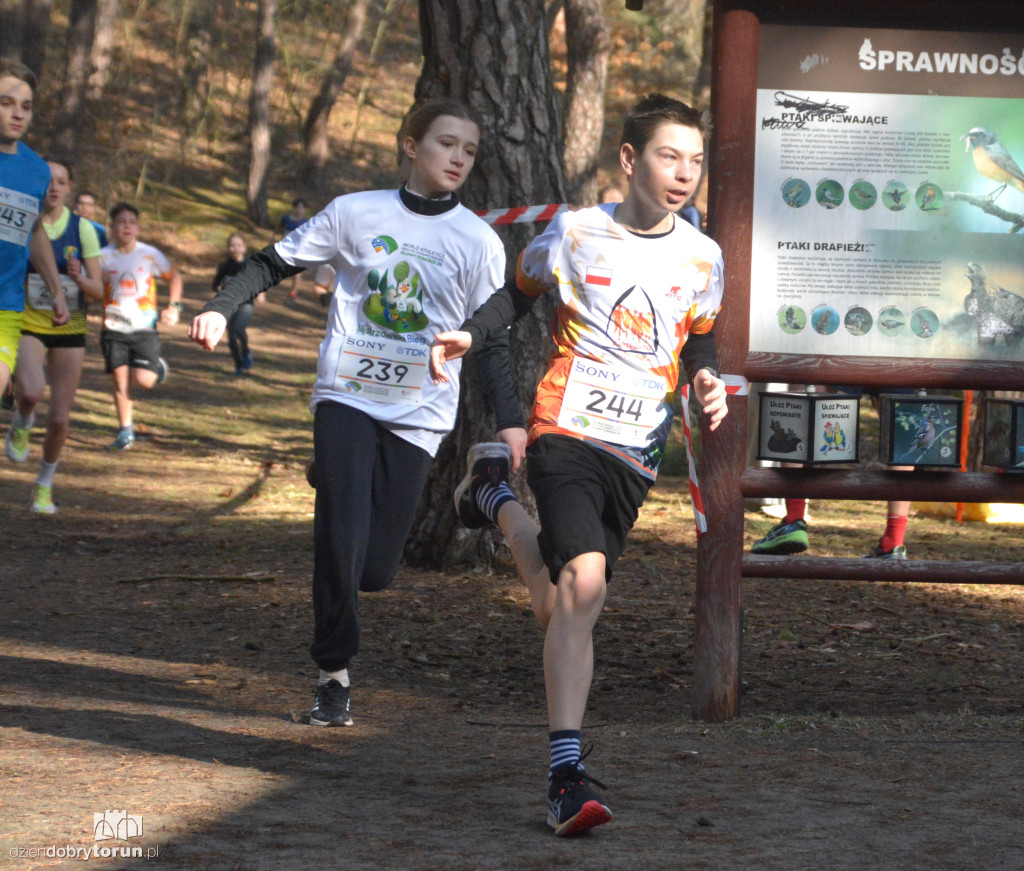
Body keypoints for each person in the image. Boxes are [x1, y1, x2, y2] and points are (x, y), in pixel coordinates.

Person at [430, 94, 728, 837]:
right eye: (669, 155)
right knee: (586, 579)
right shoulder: (574, 233)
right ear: (630, 159)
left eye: (694, 159)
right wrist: (471, 335)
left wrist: (706, 378)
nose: (684, 172)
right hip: (567, 427)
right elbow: (517, 296)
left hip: (638, 450)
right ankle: (565, 775)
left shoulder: (703, 254)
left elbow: (699, 338)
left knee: (565, 600)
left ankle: (495, 495)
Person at [188, 98, 522, 729]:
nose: (458, 158)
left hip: (419, 410)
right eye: (446, 143)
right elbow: (270, 261)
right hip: (345, 394)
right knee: (340, 537)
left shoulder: (478, 240)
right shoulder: (355, 213)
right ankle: (333, 676)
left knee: (374, 571)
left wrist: (511, 420)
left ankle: (339, 479)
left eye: (469, 151)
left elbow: (492, 338)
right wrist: (221, 306)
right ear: (409, 144)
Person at [4, 157, 103, 513]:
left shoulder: (83, 229)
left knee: (60, 418)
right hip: (29, 321)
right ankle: (22, 419)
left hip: (70, 327)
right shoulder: (20, 220)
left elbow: (98, 290)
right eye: (49, 180)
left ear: (69, 188)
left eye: (61, 181)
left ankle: (44, 484)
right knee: (30, 390)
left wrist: (79, 280)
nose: (54, 187)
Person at [751, 385, 915, 559]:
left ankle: (794, 520)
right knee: (901, 427)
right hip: (892, 359)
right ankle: (893, 542)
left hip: (843, 359)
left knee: (803, 391)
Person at [0, 59, 69, 408]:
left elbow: (36, 230)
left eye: (25, 107)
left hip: (4, 305)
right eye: (6, 103)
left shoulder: (36, 171)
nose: (18, 115)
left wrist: (56, 291)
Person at [98, 202, 182, 450]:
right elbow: (92, 287)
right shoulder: (102, 257)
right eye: (121, 222)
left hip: (144, 327)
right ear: (112, 227)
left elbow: (174, 276)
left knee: (143, 380)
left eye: (131, 222)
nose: (127, 227)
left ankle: (156, 368)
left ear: (138, 227)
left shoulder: (149, 254)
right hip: (112, 328)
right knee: (120, 381)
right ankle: (126, 431)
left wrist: (174, 306)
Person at [211, 232, 263, 376]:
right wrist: (220, 289)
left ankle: (246, 351)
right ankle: (238, 364)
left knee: (239, 328)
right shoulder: (225, 265)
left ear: (244, 248)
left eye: (238, 245)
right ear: (228, 248)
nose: (235, 248)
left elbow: (259, 282)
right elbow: (215, 284)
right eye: (232, 246)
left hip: (245, 303)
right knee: (231, 336)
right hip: (228, 305)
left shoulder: (249, 265)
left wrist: (261, 293)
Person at [277, 198, 308, 305]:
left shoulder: (306, 223)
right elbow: (278, 230)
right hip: (284, 249)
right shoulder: (286, 219)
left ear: (305, 210)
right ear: (294, 208)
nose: (299, 210)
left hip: (299, 251)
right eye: (298, 207)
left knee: (297, 274)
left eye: (302, 208)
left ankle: (292, 295)